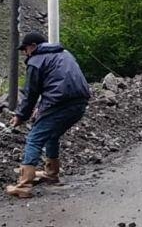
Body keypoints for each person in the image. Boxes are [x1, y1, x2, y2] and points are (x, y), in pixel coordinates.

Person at [6, 32, 91, 198]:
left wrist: (20, 116)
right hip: (80, 102)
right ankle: (51, 174)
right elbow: (59, 82)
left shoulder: (36, 61)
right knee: (52, 134)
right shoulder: (65, 54)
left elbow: (31, 93)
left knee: (34, 138)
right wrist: (42, 108)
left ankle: (24, 186)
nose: (25, 53)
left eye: (25, 48)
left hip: (59, 103)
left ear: (34, 46)